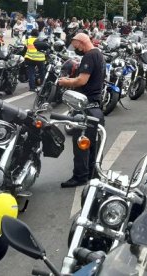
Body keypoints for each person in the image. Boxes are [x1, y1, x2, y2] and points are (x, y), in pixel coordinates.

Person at [57, 33, 105, 188]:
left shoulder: (89, 56)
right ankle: (93, 174)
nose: (75, 48)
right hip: (96, 106)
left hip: (87, 106)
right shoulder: (98, 53)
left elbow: (82, 80)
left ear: (82, 41)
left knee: (81, 143)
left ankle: (80, 177)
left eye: (76, 45)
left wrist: (65, 82)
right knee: (93, 144)